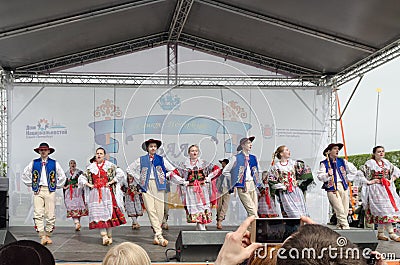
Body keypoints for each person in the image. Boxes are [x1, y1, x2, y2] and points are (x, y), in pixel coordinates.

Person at [126, 139, 178, 247]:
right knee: (150, 209)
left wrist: (165, 176)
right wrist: (139, 178)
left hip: (159, 185)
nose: (153, 148)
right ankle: (159, 235)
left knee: (159, 210)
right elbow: (129, 169)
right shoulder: (141, 159)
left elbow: (173, 170)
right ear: (147, 148)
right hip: (146, 185)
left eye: (154, 146)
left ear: (157, 148)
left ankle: (155, 235)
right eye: (151, 146)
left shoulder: (161, 159)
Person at [78, 147, 126, 245]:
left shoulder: (110, 165)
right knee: (98, 214)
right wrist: (89, 185)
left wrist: (111, 182)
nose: (99, 155)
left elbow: (120, 173)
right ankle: (104, 236)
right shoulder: (91, 167)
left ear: (104, 155)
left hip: (107, 192)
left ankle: (109, 235)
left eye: (101, 153)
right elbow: (82, 178)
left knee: (109, 214)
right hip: (95, 193)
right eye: (97, 153)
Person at [21, 142, 66, 245]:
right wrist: (33, 184)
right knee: (38, 213)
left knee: (50, 214)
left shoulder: (54, 163)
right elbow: (25, 175)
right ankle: (42, 235)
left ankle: (48, 234)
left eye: (45, 150)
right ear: (39, 151)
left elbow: (62, 176)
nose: (43, 151)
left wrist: (55, 185)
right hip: (38, 190)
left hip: (49, 190)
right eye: (41, 150)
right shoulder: (34, 162)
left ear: (49, 151)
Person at [172, 144, 220, 230]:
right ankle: (200, 228)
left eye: (196, 151)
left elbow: (217, 169)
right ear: (189, 153)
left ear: (198, 152)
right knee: (195, 207)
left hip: (202, 189)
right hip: (191, 190)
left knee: (202, 206)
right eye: (192, 151)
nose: (194, 153)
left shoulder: (204, 163)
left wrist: (209, 177)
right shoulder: (184, 165)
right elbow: (173, 174)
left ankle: (201, 228)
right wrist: (183, 181)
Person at [358, 145, 400, 242]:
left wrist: (390, 180)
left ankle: (380, 233)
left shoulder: (387, 163)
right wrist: (369, 182)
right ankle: (391, 233)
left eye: (382, 151)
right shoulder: (370, 163)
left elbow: (396, 172)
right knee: (383, 211)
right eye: (378, 151)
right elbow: (360, 173)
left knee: (386, 210)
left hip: (386, 189)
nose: (381, 153)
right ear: (374, 154)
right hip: (376, 190)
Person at [317, 143, 357, 229]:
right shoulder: (324, 163)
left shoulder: (342, 161)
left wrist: (347, 179)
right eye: (335, 149)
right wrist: (328, 174)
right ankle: (346, 227)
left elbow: (354, 170)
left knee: (345, 209)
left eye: (338, 149)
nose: (337, 150)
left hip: (343, 186)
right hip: (332, 188)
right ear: (329, 151)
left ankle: (340, 226)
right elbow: (320, 176)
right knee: (339, 209)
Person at [268, 145, 312, 218]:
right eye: (286, 150)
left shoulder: (293, 163)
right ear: (281, 154)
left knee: (300, 211)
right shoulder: (277, 166)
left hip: (295, 191)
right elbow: (271, 179)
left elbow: (305, 171)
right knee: (289, 212)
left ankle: (302, 226)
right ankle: (291, 228)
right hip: (285, 192)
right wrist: (281, 186)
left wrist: (300, 182)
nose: (289, 151)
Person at [223, 136, 260, 217]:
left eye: (251, 143)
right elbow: (225, 171)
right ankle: (254, 228)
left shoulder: (253, 158)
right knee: (252, 211)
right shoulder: (236, 157)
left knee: (254, 209)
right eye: (248, 143)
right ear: (243, 145)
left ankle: (250, 228)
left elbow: (256, 171)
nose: (250, 145)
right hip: (242, 185)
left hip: (252, 184)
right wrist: (234, 179)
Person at [63, 159, 88, 231]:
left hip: (78, 191)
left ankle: (77, 223)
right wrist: (65, 186)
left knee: (78, 208)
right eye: (71, 163)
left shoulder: (80, 173)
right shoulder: (66, 174)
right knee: (71, 207)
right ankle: (76, 223)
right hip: (69, 192)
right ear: (69, 165)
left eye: (74, 163)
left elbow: (84, 180)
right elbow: (63, 182)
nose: (72, 164)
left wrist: (79, 184)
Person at [216, 158, 231, 229]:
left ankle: (220, 219)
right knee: (219, 206)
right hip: (220, 189)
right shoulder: (220, 171)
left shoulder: (230, 171)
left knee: (225, 205)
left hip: (227, 190)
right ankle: (219, 219)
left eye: (223, 163)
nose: (222, 164)